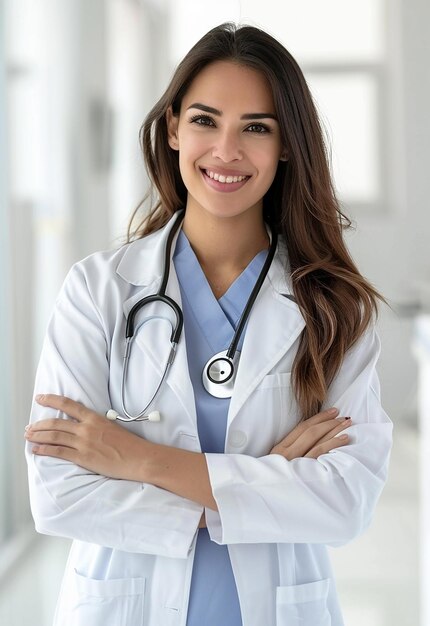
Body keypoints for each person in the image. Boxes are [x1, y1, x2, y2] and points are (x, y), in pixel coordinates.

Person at [25, 22, 392, 626]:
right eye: (204, 120)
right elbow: (59, 496)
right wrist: (270, 487)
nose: (226, 150)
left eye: (256, 127)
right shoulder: (98, 291)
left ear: (287, 146)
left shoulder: (333, 307)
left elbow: (345, 503)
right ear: (172, 128)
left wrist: (137, 459)